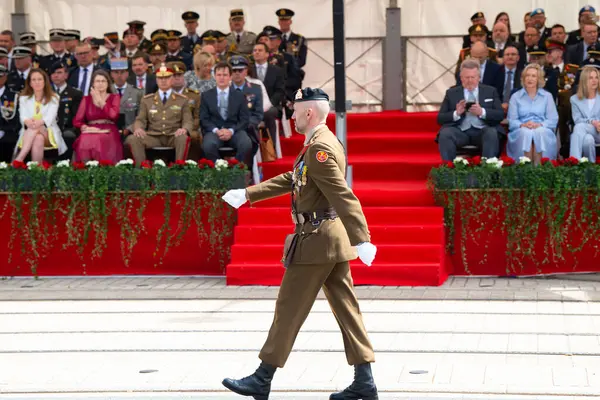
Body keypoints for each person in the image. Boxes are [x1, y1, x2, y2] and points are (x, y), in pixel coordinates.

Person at [220, 87, 378, 400]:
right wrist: (249, 194)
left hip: (317, 240)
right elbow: (294, 180)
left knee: (288, 308)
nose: (291, 117)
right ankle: (364, 379)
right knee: (347, 310)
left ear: (309, 113)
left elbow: (342, 194)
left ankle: (262, 378)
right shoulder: (320, 143)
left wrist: (363, 238)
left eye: (295, 111)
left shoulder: (319, 149)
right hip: (330, 239)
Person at [126, 63, 193, 165]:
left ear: (172, 79)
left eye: (167, 77)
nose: (163, 80)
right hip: (154, 136)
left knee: (183, 138)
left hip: (173, 135)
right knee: (133, 139)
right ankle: (142, 171)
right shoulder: (147, 100)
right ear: (156, 80)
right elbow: (141, 119)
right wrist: (138, 128)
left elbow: (188, 120)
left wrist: (184, 129)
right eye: (160, 78)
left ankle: (180, 169)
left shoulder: (182, 100)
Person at [437, 59, 503, 161]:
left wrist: (482, 112)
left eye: (473, 77)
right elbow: (440, 118)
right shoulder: (451, 92)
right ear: (461, 78)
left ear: (479, 78)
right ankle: (448, 170)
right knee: (445, 133)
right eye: (467, 77)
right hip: (460, 131)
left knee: (491, 133)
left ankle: (488, 171)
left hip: (482, 131)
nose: (470, 80)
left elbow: (500, 115)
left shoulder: (490, 91)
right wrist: (456, 113)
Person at [200, 62, 252, 163]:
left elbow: (244, 120)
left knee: (246, 143)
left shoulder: (240, 96)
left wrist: (231, 131)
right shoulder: (206, 95)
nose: (222, 78)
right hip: (214, 131)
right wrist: (216, 130)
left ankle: (237, 169)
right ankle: (219, 170)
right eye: (219, 75)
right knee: (208, 145)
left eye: (225, 75)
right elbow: (204, 119)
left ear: (230, 77)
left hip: (235, 130)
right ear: (214, 76)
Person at [507, 63, 558, 163]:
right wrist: (522, 124)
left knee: (539, 132)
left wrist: (540, 124)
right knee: (526, 132)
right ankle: (526, 172)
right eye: (527, 75)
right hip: (521, 129)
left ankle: (538, 171)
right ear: (523, 78)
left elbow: (553, 119)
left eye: (533, 76)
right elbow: (512, 121)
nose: (530, 79)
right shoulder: (515, 97)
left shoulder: (547, 96)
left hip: (542, 128)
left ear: (539, 79)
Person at [14, 68, 66, 162]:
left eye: (39, 79)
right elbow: (23, 117)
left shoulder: (54, 98)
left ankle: (19, 158)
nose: (37, 82)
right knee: (38, 138)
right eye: (34, 80)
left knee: (37, 128)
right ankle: (37, 169)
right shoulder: (23, 99)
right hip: (29, 131)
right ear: (30, 83)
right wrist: (27, 122)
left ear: (45, 81)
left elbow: (49, 119)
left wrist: (36, 123)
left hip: (48, 130)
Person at [71, 70, 121, 162]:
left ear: (108, 83)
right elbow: (77, 120)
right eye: (97, 81)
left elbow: (113, 115)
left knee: (98, 140)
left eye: (103, 81)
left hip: (108, 129)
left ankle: (102, 170)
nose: (100, 83)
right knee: (84, 140)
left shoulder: (115, 97)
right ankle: (83, 171)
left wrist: (101, 101)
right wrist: (84, 127)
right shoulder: (86, 99)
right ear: (93, 84)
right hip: (91, 129)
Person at [49, 61, 83, 161]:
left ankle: (65, 165)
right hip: (49, 129)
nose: (56, 76)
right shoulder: (46, 92)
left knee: (68, 135)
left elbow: (76, 116)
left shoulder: (75, 93)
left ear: (66, 75)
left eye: (59, 72)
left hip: (67, 128)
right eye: (53, 73)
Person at [570, 65, 600, 160]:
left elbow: (579, 124)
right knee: (588, 140)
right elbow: (577, 120)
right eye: (590, 78)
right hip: (587, 130)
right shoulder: (575, 99)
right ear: (584, 80)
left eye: (596, 77)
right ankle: (590, 168)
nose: (594, 80)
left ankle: (573, 162)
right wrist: (592, 122)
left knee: (579, 127)